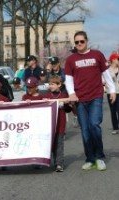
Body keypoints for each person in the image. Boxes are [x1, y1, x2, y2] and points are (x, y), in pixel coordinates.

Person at [65, 31, 116, 171]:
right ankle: (90, 158)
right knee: (85, 130)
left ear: (87, 41)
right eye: (76, 42)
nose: (79, 44)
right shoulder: (70, 60)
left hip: (96, 96)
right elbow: (68, 79)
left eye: (82, 41)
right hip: (80, 99)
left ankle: (99, 156)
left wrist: (112, 90)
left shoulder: (97, 55)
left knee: (94, 124)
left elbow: (106, 74)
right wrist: (71, 93)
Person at [43, 75, 72, 172]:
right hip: (49, 125)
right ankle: (51, 161)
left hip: (60, 124)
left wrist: (65, 105)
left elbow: (69, 109)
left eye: (53, 84)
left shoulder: (64, 96)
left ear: (59, 85)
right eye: (49, 84)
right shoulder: (47, 96)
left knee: (59, 144)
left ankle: (59, 163)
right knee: (51, 144)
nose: (50, 86)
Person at [105, 53, 119, 135]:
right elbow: (102, 80)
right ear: (113, 60)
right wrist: (105, 83)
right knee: (113, 111)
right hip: (110, 92)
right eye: (117, 59)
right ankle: (115, 128)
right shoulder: (107, 70)